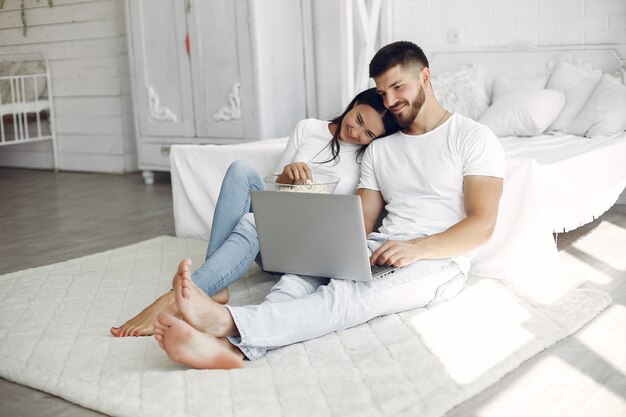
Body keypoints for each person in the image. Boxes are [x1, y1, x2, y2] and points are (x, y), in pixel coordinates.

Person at [152, 40, 506, 370]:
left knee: (347, 297)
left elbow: (482, 223)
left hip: (438, 260)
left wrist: (416, 248)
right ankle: (232, 348)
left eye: (399, 87)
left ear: (424, 77)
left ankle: (227, 323)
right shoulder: (381, 149)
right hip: (380, 245)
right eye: (383, 92)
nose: (391, 100)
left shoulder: (473, 138)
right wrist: (323, 246)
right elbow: (361, 224)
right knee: (296, 279)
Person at [110, 87, 401, 337]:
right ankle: (214, 284)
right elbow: (268, 195)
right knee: (241, 171)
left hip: (309, 248)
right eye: (359, 118)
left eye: (368, 133)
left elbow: (355, 220)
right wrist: (287, 176)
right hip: (276, 238)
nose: (356, 131)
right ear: (353, 105)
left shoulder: (370, 157)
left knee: (252, 221)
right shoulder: (308, 128)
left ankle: (178, 297)